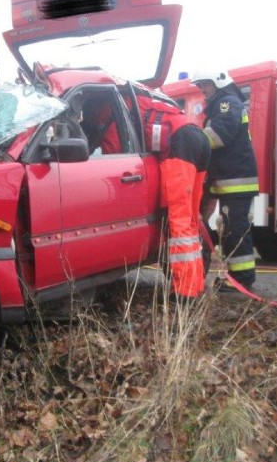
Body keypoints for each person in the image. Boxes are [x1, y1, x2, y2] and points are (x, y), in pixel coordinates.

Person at [92, 90, 211, 299]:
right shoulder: (134, 98)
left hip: (181, 143)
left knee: (178, 220)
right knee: (190, 220)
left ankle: (185, 291)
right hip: (197, 137)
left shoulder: (109, 112)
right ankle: (194, 283)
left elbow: (114, 155)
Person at [190, 70, 259, 292]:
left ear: (219, 81)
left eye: (205, 84)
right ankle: (230, 275)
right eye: (200, 85)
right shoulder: (222, 104)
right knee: (225, 229)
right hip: (226, 178)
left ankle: (242, 279)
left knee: (235, 230)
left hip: (235, 179)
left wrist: (189, 140)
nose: (202, 90)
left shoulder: (227, 103)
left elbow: (219, 136)